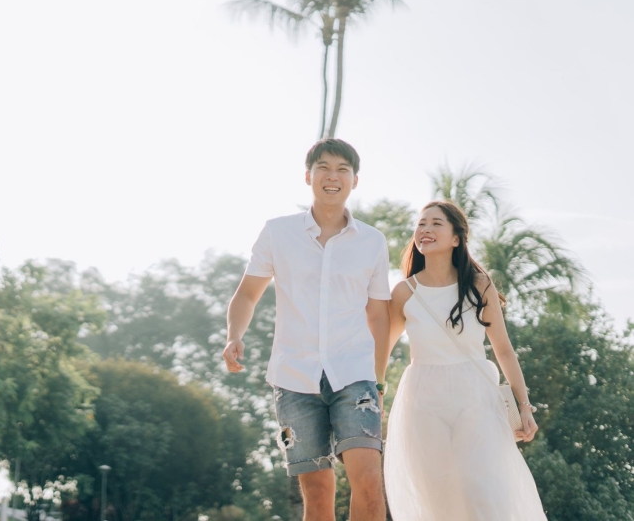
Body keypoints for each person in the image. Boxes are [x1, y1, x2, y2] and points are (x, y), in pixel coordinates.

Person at [222, 139, 391, 521]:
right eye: (324, 168)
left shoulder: (372, 241)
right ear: (308, 176)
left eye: (342, 170)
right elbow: (247, 295)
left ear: (355, 180)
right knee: (316, 493)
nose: (333, 177)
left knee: (368, 480)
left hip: (355, 376)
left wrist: (378, 380)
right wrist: (234, 335)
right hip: (294, 378)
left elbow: (379, 316)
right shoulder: (278, 232)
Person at [383, 200, 546, 520]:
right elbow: (382, 351)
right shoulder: (404, 292)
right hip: (423, 398)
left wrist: (524, 406)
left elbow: (503, 350)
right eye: (421, 224)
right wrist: (372, 394)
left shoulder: (478, 285)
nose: (425, 229)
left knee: (483, 491)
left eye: (436, 224)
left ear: (456, 238)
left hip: (475, 395)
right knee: (438, 497)